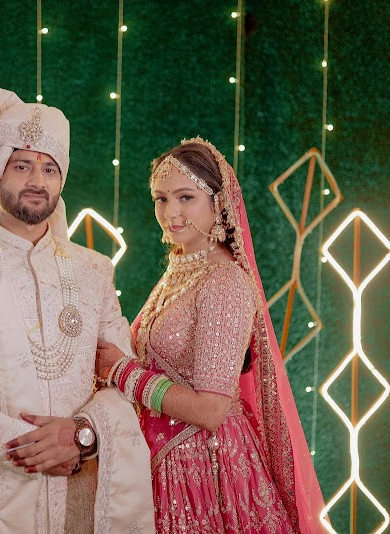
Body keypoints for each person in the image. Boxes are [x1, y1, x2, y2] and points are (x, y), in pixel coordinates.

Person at [0, 88, 155, 534]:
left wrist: (80, 436)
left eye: (49, 168)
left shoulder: (94, 271)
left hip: (78, 494)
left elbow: (123, 379)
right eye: (22, 165)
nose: (37, 180)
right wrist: (30, 448)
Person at [96, 137, 326, 533]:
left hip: (206, 471)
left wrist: (122, 371)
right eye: (161, 199)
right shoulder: (179, 270)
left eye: (186, 197)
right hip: (162, 462)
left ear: (218, 202)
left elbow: (210, 410)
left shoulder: (224, 282)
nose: (171, 212)